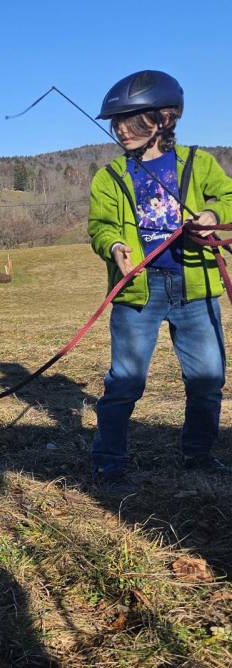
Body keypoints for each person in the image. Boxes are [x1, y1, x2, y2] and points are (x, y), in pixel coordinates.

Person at [88, 70, 232, 490]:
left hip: (195, 289)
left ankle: (199, 455)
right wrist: (114, 246)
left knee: (208, 380)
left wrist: (209, 217)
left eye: (131, 120)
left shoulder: (198, 163)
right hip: (139, 293)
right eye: (115, 122)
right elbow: (100, 227)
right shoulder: (109, 177)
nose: (120, 129)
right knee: (125, 383)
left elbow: (228, 196)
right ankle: (108, 464)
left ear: (164, 119)